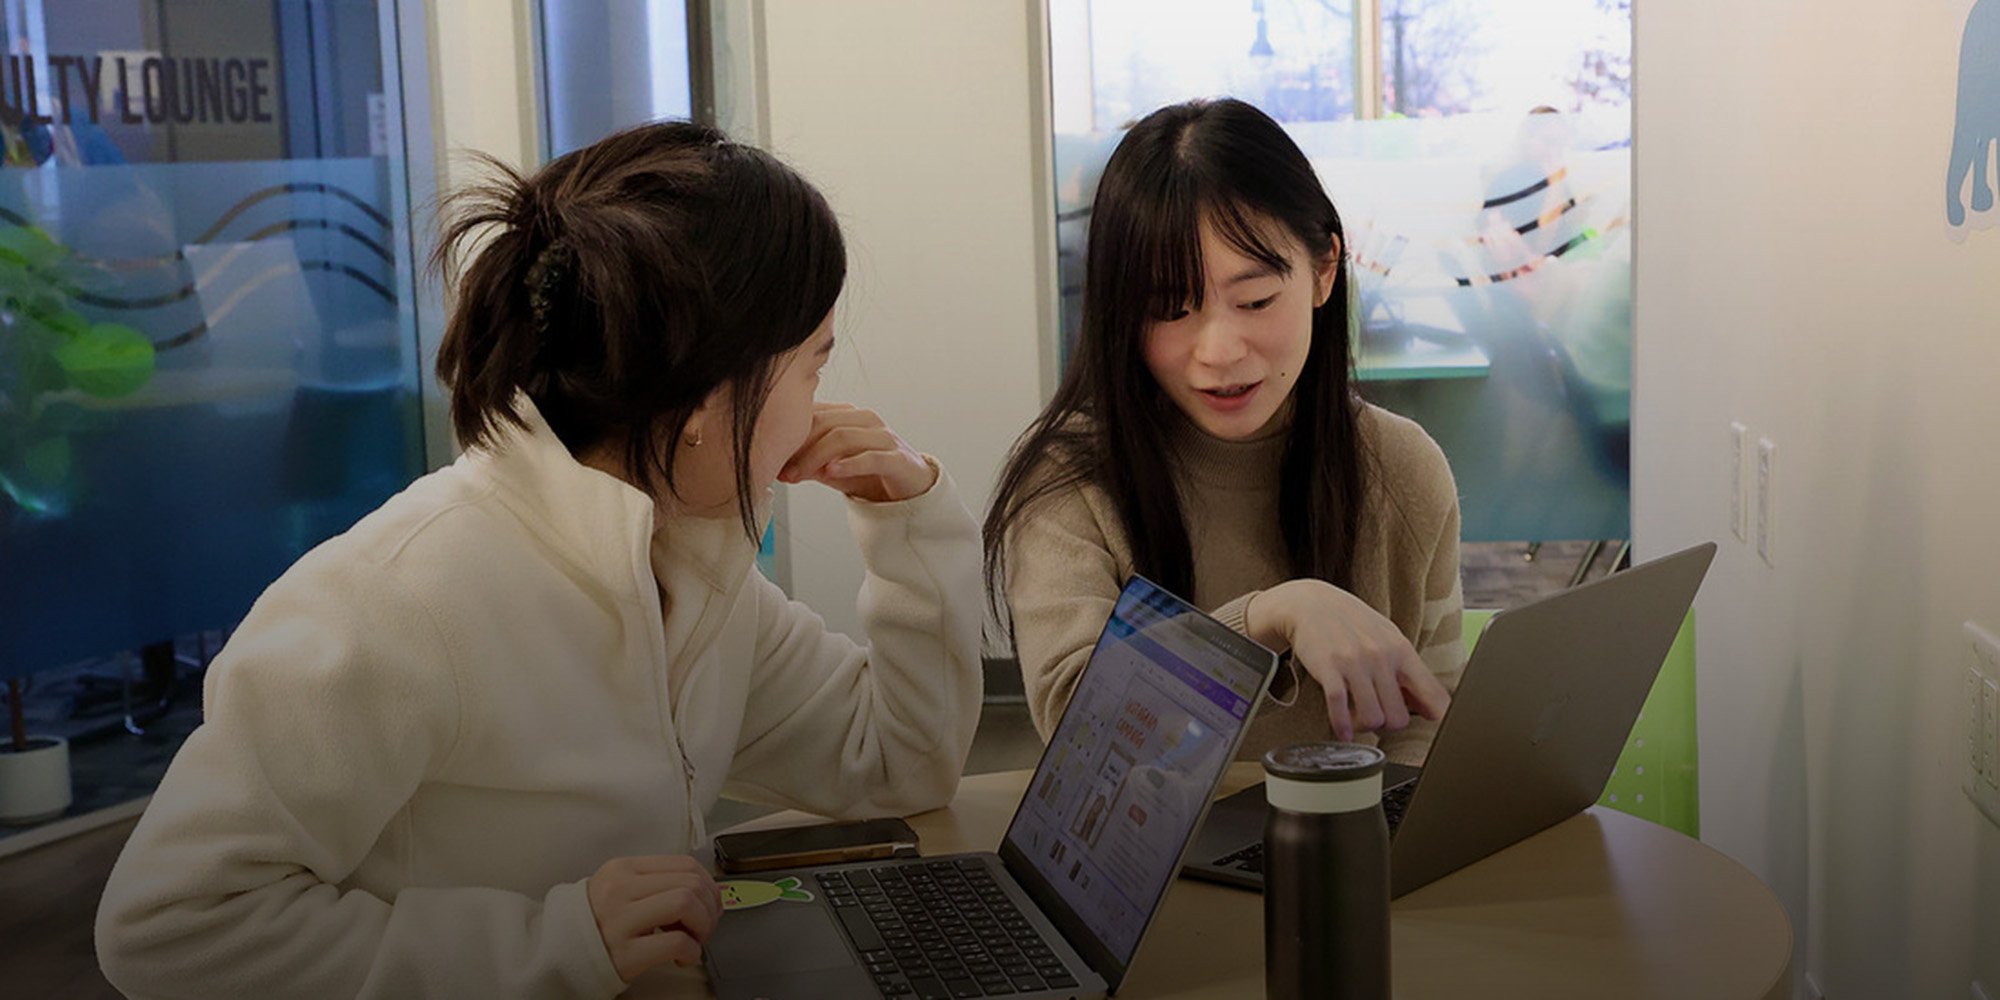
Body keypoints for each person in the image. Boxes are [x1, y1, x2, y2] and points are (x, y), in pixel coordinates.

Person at [95, 121, 983, 998]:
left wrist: (907, 524)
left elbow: (897, 763)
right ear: (710, 397)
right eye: (813, 371)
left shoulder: (690, 565)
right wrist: (552, 942)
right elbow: (169, 925)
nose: (823, 409)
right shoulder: (393, 601)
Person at [986, 98, 1464, 766]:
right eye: (1169, 309)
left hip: (1350, 850)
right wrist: (1268, 617)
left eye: (1256, 301)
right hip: (1153, 868)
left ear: (1324, 270)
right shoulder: (1069, 478)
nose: (1218, 349)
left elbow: (1427, 721)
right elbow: (1082, 732)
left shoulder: (1400, 464)